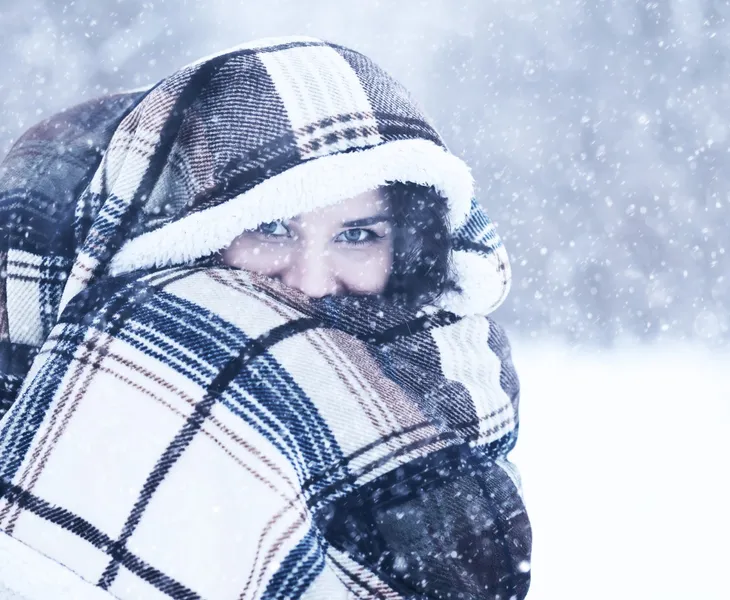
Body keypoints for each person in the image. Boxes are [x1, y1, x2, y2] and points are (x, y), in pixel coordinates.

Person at [0, 37, 530, 599]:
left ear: (406, 251)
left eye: (357, 235)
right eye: (271, 229)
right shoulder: (120, 381)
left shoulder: (443, 386)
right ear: (186, 233)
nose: (310, 281)